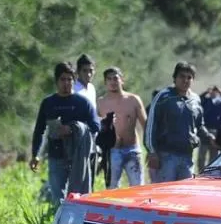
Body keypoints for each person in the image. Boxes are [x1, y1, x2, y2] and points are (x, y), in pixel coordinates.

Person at [30, 62, 101, 204]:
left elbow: (95, 126)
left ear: (74, 81)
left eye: (70, 79)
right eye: (63, 79)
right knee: (58, 199)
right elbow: (39, 130)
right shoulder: (49, 103)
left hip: (79, 157)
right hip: (56, 156)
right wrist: (35, 155)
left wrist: (74, 128)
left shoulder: (83, 103)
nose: (66, 83)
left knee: (80, 197)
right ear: (56, 81)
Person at [147, 61, 215, 182]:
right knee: (164, 194)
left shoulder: (195, 99)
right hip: (166, 156)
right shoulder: (163, 97)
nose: (185, 80)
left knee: (183, 196)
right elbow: (151, 125)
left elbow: (199, 126)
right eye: (182, 76)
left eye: (189, 77)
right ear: (174, 78)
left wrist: (210, 137)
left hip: (187, 157)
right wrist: (152, 152)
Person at [96, 67, 148, 189]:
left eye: (115, 78)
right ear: (105, 83)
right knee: (112, 189)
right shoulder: (101, 102)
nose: (113, 82)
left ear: (122, 80)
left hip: (132, 150)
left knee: (138, 188)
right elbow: (97, 128)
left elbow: (146, 125)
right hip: (112, 151)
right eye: (109, 79)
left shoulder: (133, 99)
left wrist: (151, 150)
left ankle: (136, 208)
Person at [198, 86, 221, 170]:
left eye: (215, 91)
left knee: (214, 155)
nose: (213, 93)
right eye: (212, 91)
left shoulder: (220, 102)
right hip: (205, 131)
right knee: (202, 154)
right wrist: (206, 91)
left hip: (216, 132)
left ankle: (210, 171)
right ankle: (200, 171)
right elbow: (199, 99)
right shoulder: (206, 101)